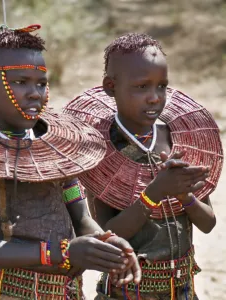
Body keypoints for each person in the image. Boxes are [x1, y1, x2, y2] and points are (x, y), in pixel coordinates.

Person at [0, 25, 142, 300]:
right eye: (20, 82)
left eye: (41, 83)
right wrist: (63, 252)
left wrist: (108, 243)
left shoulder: (60, 148)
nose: (34, 93)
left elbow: (82, 218)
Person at [64, 33, 223, 299]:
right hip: (126, 291)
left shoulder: (182, 140)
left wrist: (185, 196)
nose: (154, 98)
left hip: (182, 289)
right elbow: (109, 233)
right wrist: (155, 193)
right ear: (110, 86)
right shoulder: (103, 150)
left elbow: (208, 223)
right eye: (141, 87)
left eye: (161, 86)